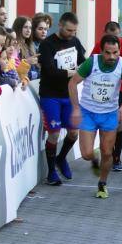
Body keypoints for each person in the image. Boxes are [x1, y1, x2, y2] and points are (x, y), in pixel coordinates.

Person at [69, 34, 122, 199]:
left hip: (109, 114)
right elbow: (72, 83)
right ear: (101, 51)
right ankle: (93, 158)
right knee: (86, 154)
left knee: (108, 153)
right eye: (107, 53)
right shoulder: (91, 62)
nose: (111, 57)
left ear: (119, 51)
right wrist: (76, 109)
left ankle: (102, 183)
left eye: (115, 52)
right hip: (88, 112)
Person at [38, 12, 87, 186]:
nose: (72, 34)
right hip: (50, 94)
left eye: (74, 31)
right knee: (54, 133)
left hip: (69, 94)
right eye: (69, 30)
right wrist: (72, 73)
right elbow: (50, 71)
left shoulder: (75, 41)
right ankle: (51, 171)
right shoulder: (47, 44)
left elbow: (83, 61)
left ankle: (61, 158)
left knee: (74, 132)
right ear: (60, 25)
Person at [90, 21, 122, 172]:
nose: (114, 41)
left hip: (120, 89)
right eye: (110, 36)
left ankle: (116, 158)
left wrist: (121, 72)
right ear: (105, 34)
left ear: (120, 33)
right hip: (101, 88)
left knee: (117, 124)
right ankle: (102, 152)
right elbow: (90, 63)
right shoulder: (99, 45)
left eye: (116, 36)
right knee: (100, 122)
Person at [13, 16, 40, 81]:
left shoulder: (30, 45)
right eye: (25, 27)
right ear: (18, 28)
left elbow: (36, 68)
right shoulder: (14, 46)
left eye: (30, 28)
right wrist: (27, 62)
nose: (28, 30)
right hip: (22, 84)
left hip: (33, 82)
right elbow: (14, 72)